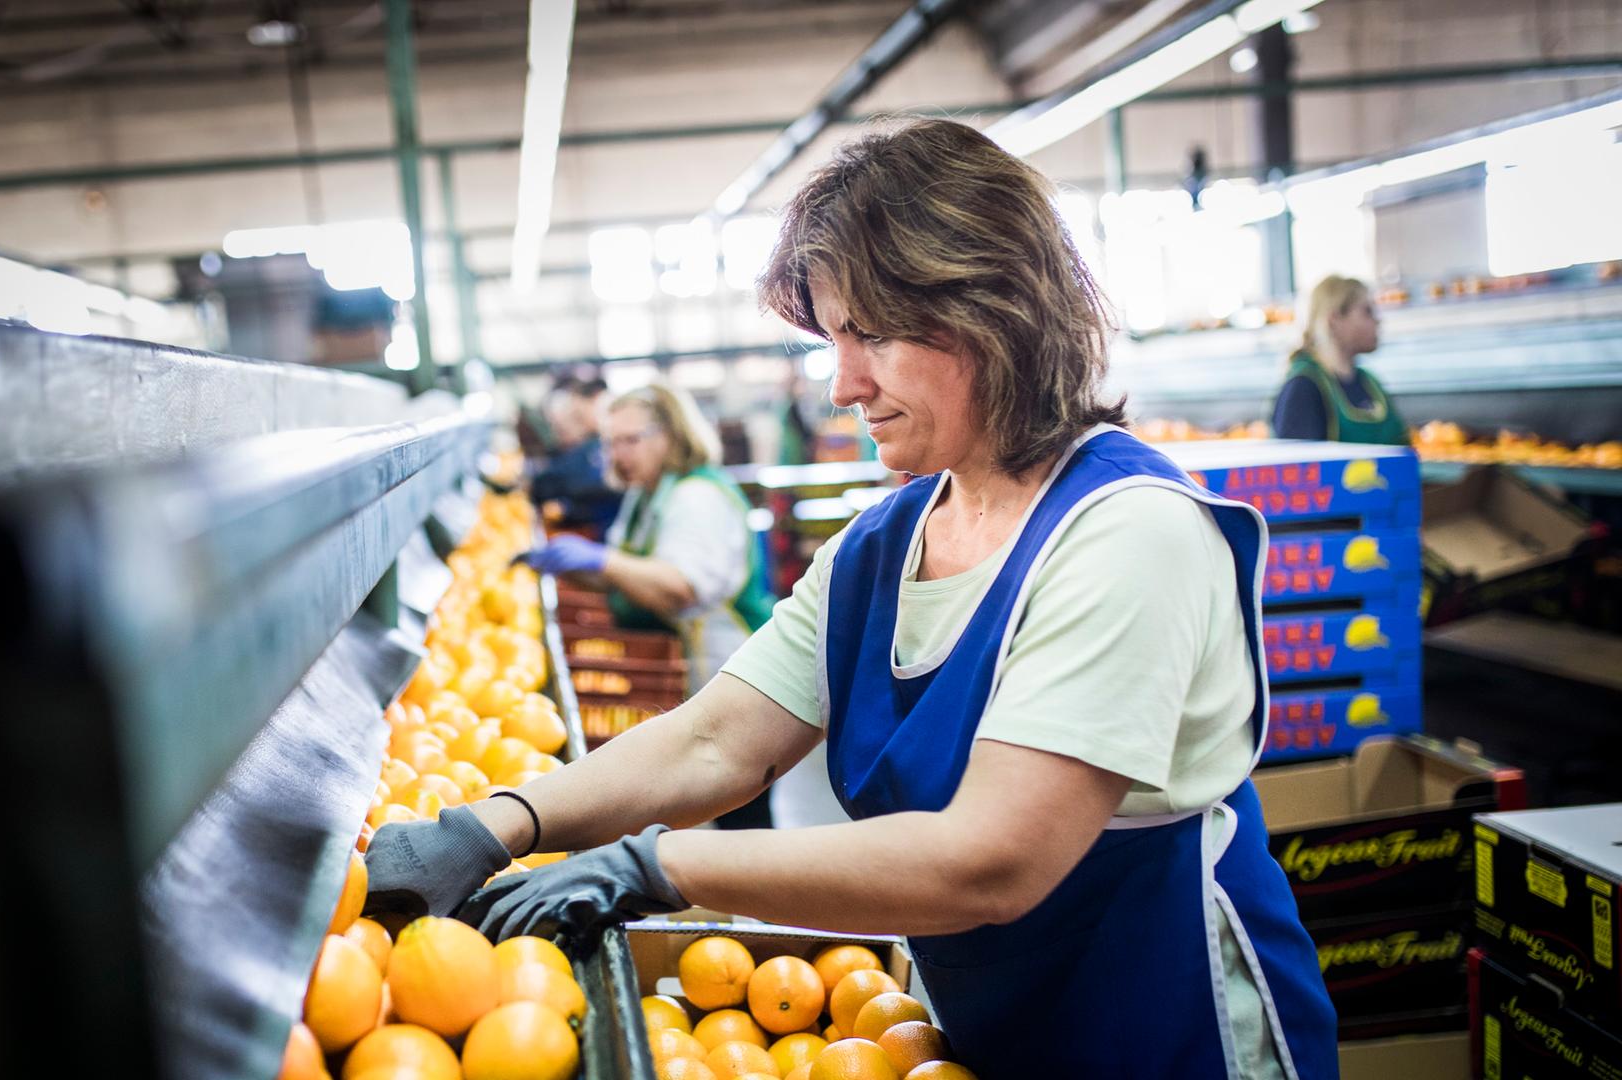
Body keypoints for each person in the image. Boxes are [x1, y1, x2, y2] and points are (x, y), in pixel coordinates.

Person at [365, 119, 1336, 1079]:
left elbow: (990, 859)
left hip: (1172, 1037)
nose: (842, 384)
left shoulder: (1127, 535)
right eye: (834, 339)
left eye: (867, 335)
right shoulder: (886, 543)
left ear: (989, 311)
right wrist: (494, 824)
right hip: (991, 1033)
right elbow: (720, 740)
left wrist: (660, 868)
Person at [522, 383, 779, 828]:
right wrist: (570, 566)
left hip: (734, 665)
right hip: (695, 668)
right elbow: (630, 574)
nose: (618, 454)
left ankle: (765, 896)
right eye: (609, 442)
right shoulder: (648, 493)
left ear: (671, 436)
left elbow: (678, 587)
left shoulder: (695, 497)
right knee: (718, 801)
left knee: (743, 807)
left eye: (630, 440)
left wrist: (601, 559)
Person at [1271, 275, 1409, 444]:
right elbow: (1299, 465)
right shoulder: (1304, 387)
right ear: (1334, 320)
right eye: (1367, 311)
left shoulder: (1370, 383)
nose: (1378, 321)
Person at [528, 378, 621, 535]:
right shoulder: (592, 444)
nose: (580, 423)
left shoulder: (603, 444)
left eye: (579, 416)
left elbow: (601, 487)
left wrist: (568, 508)